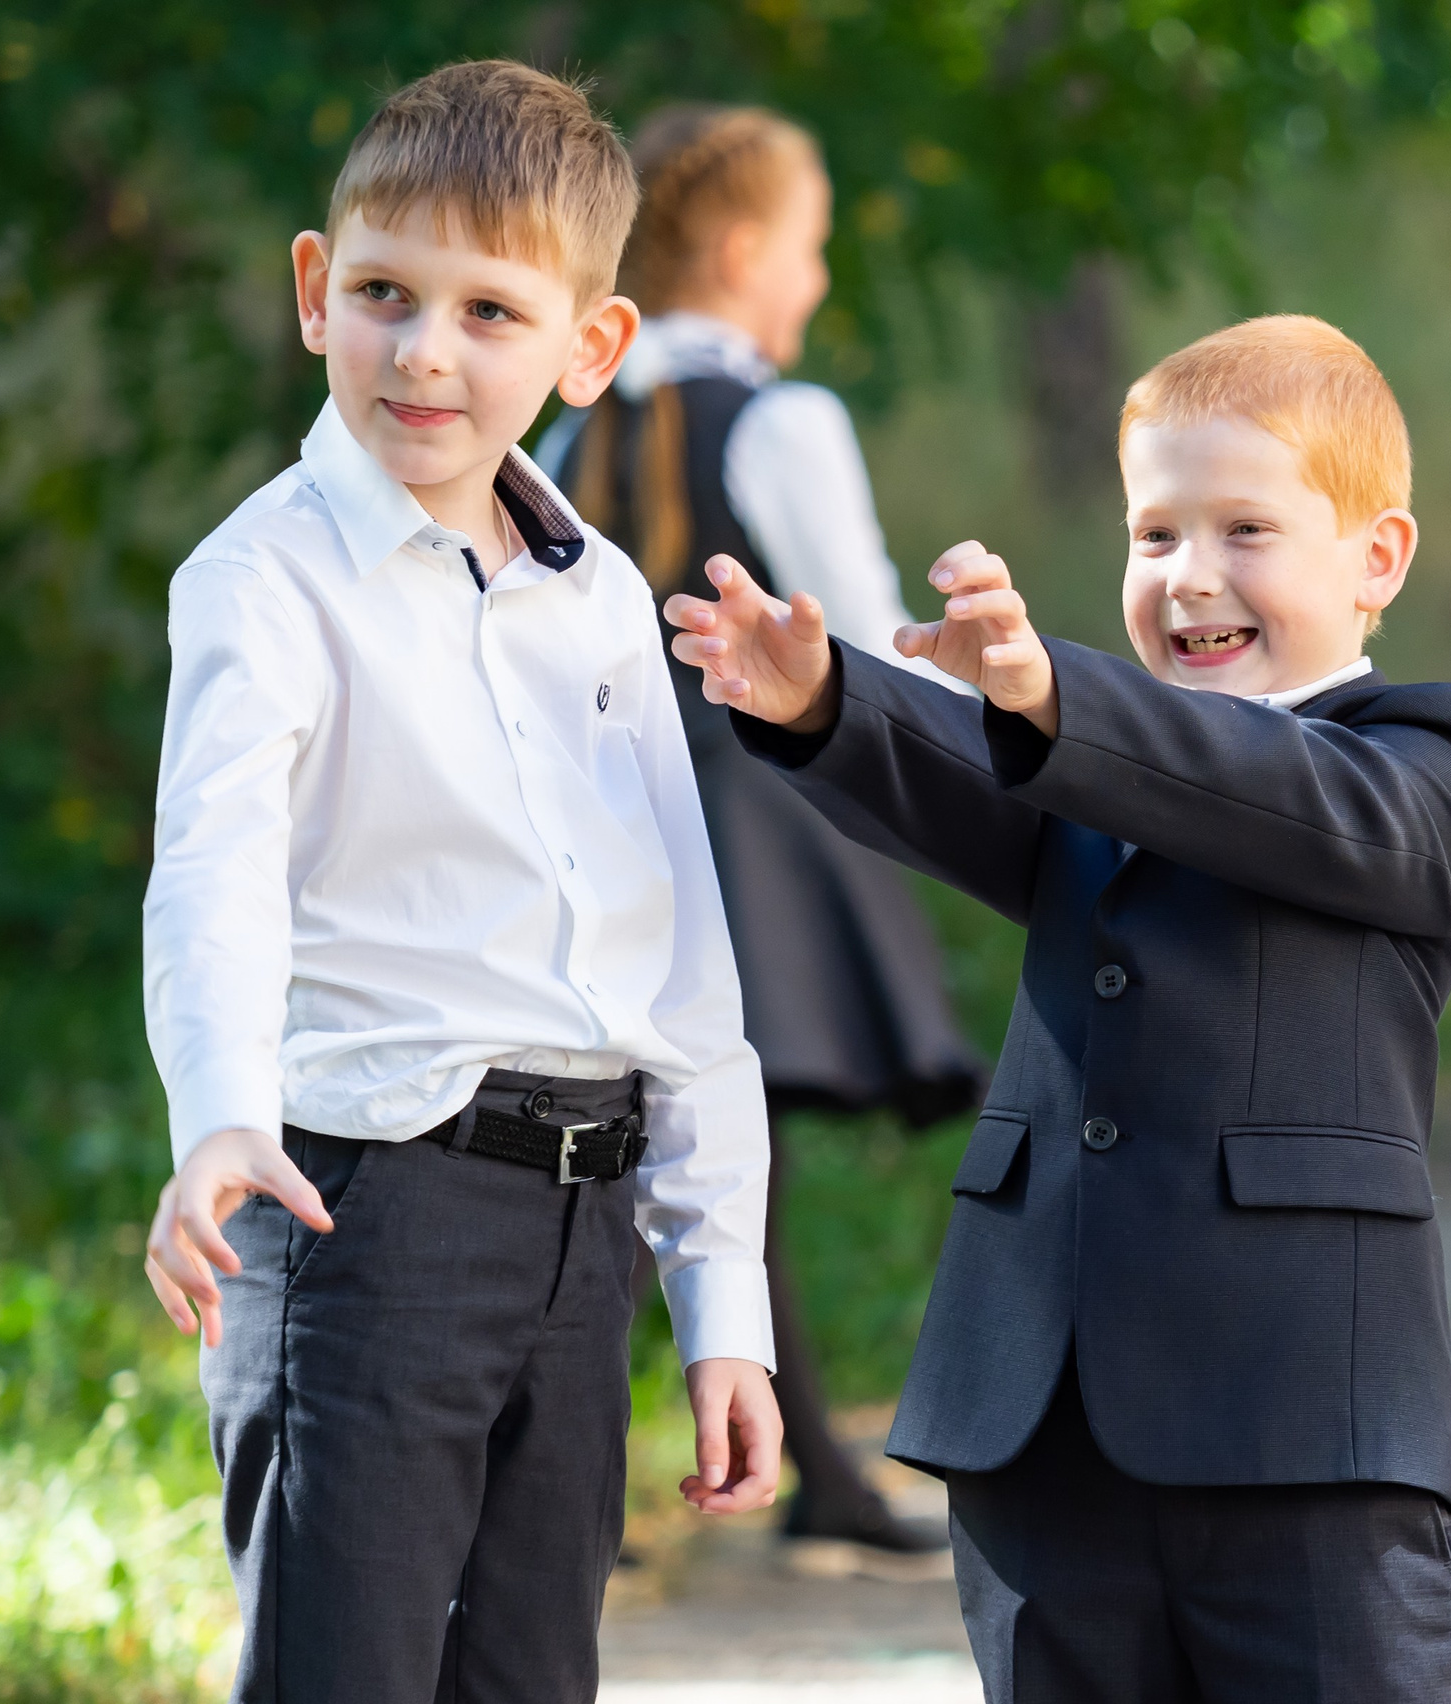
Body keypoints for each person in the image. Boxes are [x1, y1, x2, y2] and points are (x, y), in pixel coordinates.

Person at [668, 315, 1451, 1702]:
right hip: (1039, 1426)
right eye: (1155, 535)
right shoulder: (1085, 762)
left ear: (1377, 560)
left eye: (1246, 531)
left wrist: (1064, 699)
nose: (1191, 577)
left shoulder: (1421, 762)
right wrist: (823, 700)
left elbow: (1281, 799)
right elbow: (967, 774)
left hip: (1303, 1432)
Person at [137, 62, 781, 1704]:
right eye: (383, 295)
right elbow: (212, 873)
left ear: (588, 348)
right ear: (312, 291)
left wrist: (723, 1296)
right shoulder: (267, 578)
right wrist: (221, 1110)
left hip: (583, 1241)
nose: (424, 351)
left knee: (530, 1681)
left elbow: (679, 961)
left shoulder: (603, 600)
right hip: (369, 1218)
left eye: (490, 311)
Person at [540, 104, 981, 1557]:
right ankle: (799, 1473)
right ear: (738, 252)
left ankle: (614, 1478)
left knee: (613, 1130)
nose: (816, 284)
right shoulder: (786, 420)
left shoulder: (563, 423)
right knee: (729, 1138)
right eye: (810, 250)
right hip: (753, 822)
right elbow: (862, 638)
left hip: (594, 825)